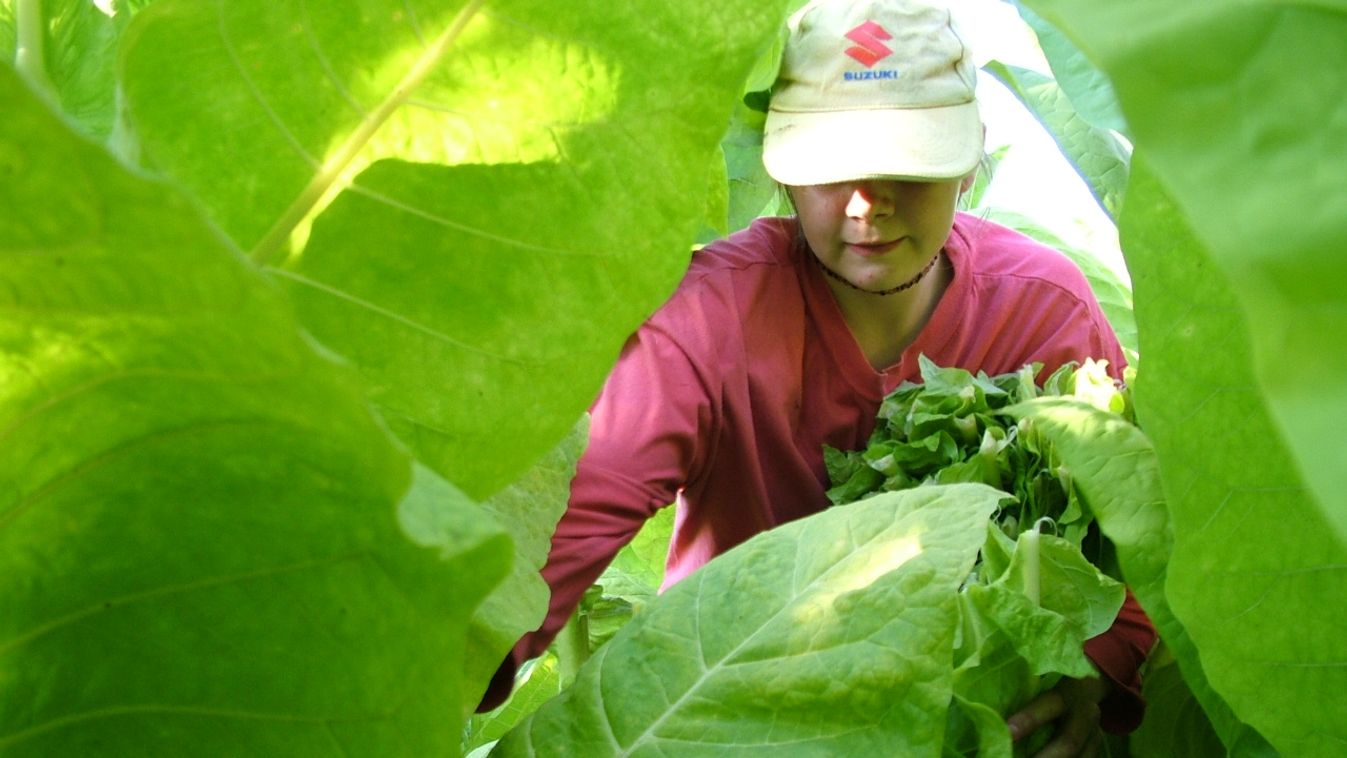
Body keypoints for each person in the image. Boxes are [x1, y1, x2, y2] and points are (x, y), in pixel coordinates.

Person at [479, 0, 1156, 753]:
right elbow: (553, 552)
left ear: (967, 162)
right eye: (831, 171)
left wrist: (1092, 673)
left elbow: (1130, 551)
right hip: (732, 724)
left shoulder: (1041, 311)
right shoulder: (707, 321)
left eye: (907, 165)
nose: (869, 204)